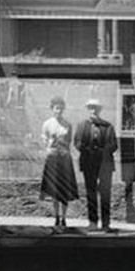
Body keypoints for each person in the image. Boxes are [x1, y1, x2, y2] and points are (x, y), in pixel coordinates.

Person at [74, 98, 118, 233]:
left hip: (105, 164)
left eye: (96, 108)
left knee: (105, 193)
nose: (93, 110)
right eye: (91, 107)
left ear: (100, 110)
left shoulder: (108, 126)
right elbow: (77, 143)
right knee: (91, 192)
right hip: (89, 163)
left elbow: (113, 145)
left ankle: (106, 223)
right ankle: (93, 222)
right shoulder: (82, 125)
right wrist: (89, 151)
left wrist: (102, 153)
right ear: (88, 109)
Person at [39, 96, 78, 231]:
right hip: (52, 158)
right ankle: (56, 217)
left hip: (64, 159)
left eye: (61, 108)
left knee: (64, 189)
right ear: (52, 109)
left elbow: (69, 141)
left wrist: (63, 142)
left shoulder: (67, 124)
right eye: (56, 108)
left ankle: (64, 218)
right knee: (55, 189)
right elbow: (43, 139)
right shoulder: (47, 123)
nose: (59, 111)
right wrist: (49, 142)